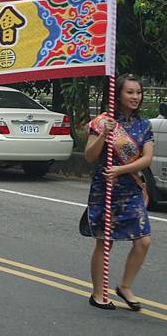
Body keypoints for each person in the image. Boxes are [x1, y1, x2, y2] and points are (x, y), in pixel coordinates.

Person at [81, 74, 154, 311]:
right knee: (105, 242)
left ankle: (125, 286)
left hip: (131, 189)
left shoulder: (145, 126)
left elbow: (146, 159)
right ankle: (98, 293)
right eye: (129, 92)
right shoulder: (102, 122)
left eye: (138, 92)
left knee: (143, 241)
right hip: (106, 189)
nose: (135, 97)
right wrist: (104, 134)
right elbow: (90, 156)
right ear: (118, 94)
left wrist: (121, 168)